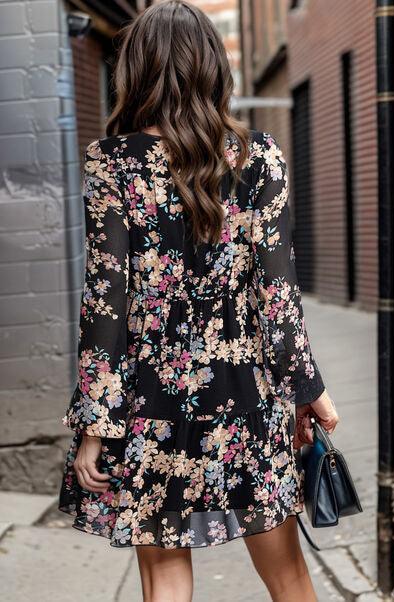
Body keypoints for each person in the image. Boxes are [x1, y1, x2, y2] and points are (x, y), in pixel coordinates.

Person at [59, 2, 339, 601]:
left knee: (163, 572)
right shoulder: (258, 157)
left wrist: (95, 424)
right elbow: (277, 294)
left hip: (148, 396)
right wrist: (307, 390)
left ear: (137, 71)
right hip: (247, 394)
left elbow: (106, 302)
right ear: (213, 68)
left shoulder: (114, 164)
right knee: (287, 573)